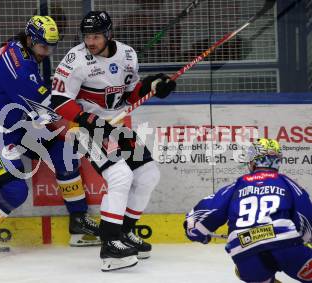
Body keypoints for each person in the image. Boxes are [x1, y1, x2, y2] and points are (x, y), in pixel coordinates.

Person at [0, 15, 100, 262]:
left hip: (15, 119)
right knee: (15, 190)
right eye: (43, 46)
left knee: (64, 151)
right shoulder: (18, 67)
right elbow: (47, 109)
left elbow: (39, 107)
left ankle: (78, 222)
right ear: (30, 39)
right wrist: (84, 116)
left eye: (52, 46)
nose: (47, 52)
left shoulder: (21, 49)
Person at [50, 11, 176, 271]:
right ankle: (109, 247)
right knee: (120, 177)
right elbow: (59, 101)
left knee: (148, 174)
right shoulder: (75, 59)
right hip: (86, 129)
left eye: (96, 36)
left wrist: (154, 85)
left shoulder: (128, 55)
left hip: (114, 126)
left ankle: (125, 233)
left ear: (109, 34)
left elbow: (131, 95)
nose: (91, 42)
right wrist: (89, 121)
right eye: (87, 36)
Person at [184, 138, 312, 282]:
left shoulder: (236, 185)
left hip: (245, 255)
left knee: (246, 271)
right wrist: (305, 239)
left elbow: (198, 220)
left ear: (252, 161)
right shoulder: (286, 183)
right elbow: (306, 216)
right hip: (287, 248)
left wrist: (198, 234)